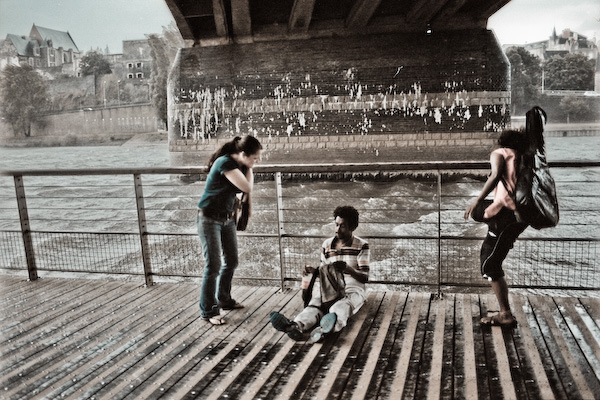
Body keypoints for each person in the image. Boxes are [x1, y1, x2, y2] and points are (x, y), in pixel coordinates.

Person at [269, 205, 370, 342]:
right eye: (336, 225)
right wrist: (313, 272)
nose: (337, 229)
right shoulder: (327, 245)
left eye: (343, 226)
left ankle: (325, 330)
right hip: (330, 286)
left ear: (352, 227)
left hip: (353, 287)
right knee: (315, 304)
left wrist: (348, 269)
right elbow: (324, 272)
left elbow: (365, 277)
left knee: (340, 307)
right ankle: (296, 325)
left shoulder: (362, 245)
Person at [464, 129, 529, 327]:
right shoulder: (524, 157)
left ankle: (505, 314)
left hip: (508, 217)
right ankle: (504, 311)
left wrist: (477, 201)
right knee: (491, 257)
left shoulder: (499, 153)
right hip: (518, 215)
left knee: (490, 265)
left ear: (502, 142)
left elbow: (494, 176)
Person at [197, 135, 262, 325]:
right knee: (213, 266)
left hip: (227, 219)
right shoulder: (225, 163)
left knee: (232, 261)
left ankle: (224, 299)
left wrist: (247, 165)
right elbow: (246, 187)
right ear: (243, 154)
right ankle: (208, 310)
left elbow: (244, 189)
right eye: (254, 158)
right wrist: (250, 168)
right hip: (209, 219)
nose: (256, 162)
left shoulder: (238, 164)